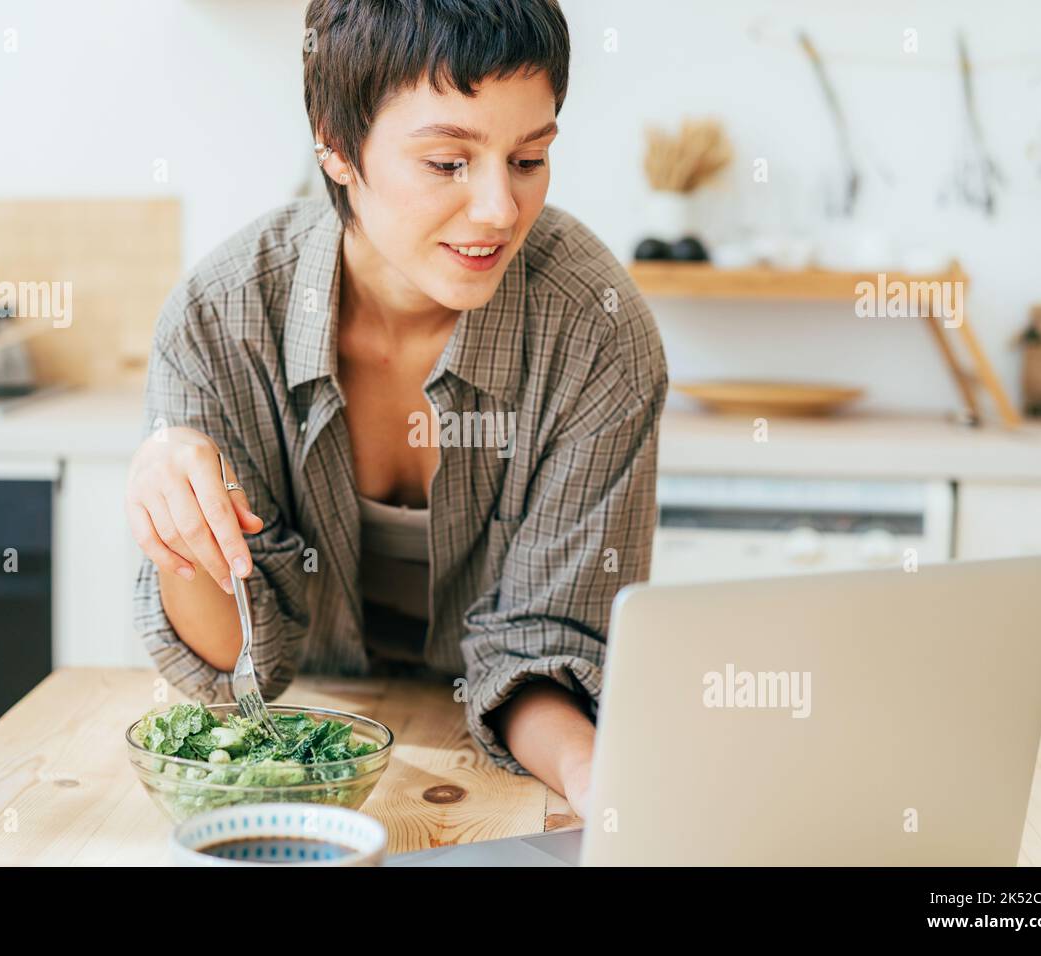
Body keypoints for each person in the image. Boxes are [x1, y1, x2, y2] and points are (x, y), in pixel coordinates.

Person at [126, 0, 667, 817]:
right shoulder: (219, 321)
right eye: (448, 163)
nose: (499, 209)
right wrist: (179, 532)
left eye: (528, 159)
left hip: (505, 765)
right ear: (337, 148)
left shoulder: (594, 331)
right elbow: (232, 671)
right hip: (302, 759)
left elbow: (547, 650)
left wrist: (598, 783)